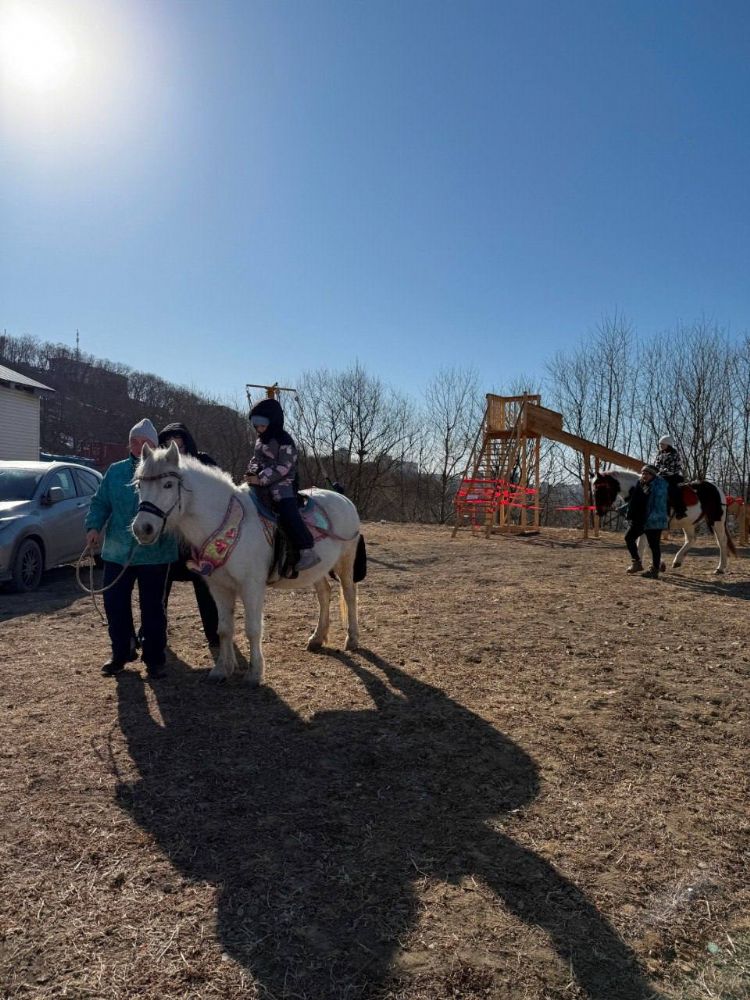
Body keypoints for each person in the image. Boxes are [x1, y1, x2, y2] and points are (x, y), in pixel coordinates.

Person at [85, 419, 178, 678]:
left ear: (154, 444)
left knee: (153, 608)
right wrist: (93, 526)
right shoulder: (115, 472)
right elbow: (100, 502)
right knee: (114, 604)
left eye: (144, 441)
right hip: (117, 551)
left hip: (155, 553)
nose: (138, 446)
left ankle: (154, 658)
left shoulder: (166, 471)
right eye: (134, 441)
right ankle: (121, 652)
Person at [157, 422, 220, 648]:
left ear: (187, 444)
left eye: (179, 444)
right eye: (168, 445)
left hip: (199, 541)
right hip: (170, 539)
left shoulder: (204, 463)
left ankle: (215, 633)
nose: (176, 449)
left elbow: (221, 495)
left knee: (206, 588)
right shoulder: (161, 467)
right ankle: (153, 633)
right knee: (160, 587)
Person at [245, 398, 320, 572]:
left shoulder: (284, 440)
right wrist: (251, 472)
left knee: (287, 511)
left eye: (262, 424)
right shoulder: (260, 440)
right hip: (260, 482)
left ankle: (306, 548)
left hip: (283, 484)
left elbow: (284, 466)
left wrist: (261, 478)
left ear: (273, 421)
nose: (259, 428)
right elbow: (256, 459)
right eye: (256, 425)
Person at [624, 464, 668, 579]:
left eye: (647, 473)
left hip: (654, 520)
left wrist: (650, 518)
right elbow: (635, 500)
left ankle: (654, 570)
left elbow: (657, 504)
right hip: (640, 519)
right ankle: (637, 563)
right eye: (643, 473)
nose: (644, 475)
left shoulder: (659, 486)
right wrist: (625, 510)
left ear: (653, 475)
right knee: (629, 538)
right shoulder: (641, 484)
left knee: (654, 545)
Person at [654, 434, 686, 519]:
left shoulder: (674, 454)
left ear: (668, 444)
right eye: (660, 444)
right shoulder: (659, 454)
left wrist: (665, 471)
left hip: (672, 476)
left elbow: (677, 467)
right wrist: (657, 471)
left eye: (662, 444)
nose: (660, 446)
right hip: (660, 475)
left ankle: (680, 511)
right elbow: (656, 464)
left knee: (673, 490)